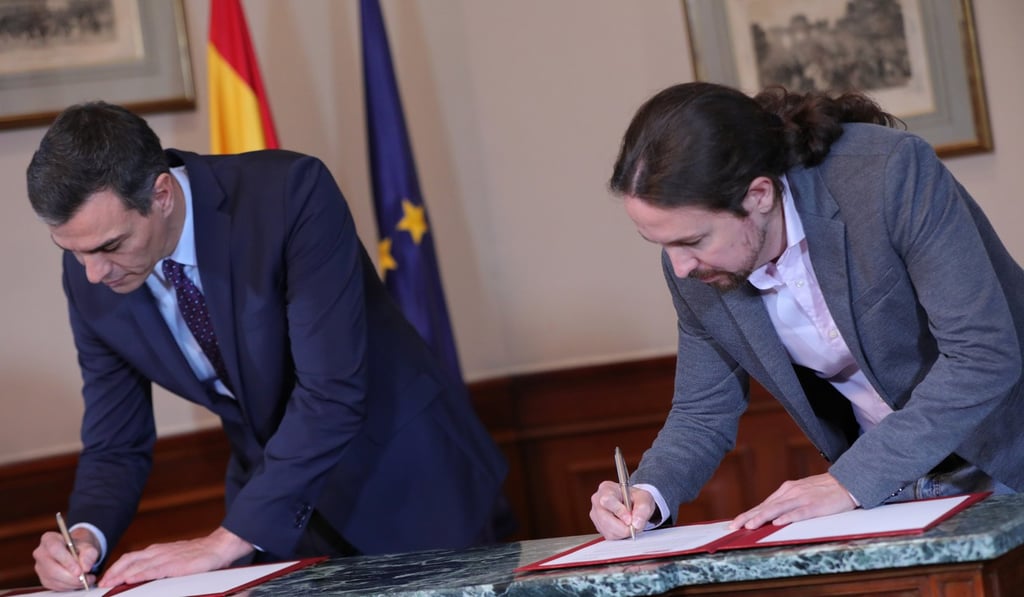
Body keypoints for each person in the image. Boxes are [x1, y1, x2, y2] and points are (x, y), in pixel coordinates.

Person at [26, 102, 509, 591]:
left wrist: (227, 538)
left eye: (110, 246)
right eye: (71, 251)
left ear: (162, 194)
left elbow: (331, 391)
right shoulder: (91, 273)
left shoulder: (290, 195)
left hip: (410, 488)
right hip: (281, 523)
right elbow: (116, 441)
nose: (93, 273)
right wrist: (85, 537)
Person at [590, 82, 1023, 540]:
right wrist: (648, 493)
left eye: (693, 241)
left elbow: (983, 355)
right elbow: (702, 410)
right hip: (889, 489)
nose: (679, 268)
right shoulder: (697, 267)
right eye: (661, 244)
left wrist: (848, 481)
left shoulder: (888, 175)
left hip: (1007, 449)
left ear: (759, 195)